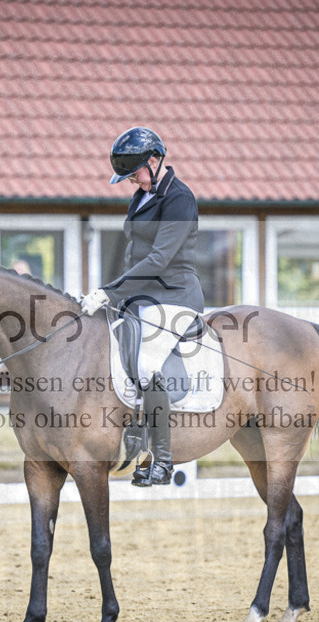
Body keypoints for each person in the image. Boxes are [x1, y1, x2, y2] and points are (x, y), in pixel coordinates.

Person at [80, 126, 204, 487]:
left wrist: (110, 291)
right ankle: (131, 434)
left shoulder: (180, 199)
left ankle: (162, 460)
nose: (133, 180)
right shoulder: (141, 196)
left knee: (148, 365)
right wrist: (114, 293)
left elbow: (159, 258)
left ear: (155, 160)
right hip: (141, 297)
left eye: (136, 172)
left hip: (175, 294)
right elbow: (133, 254)